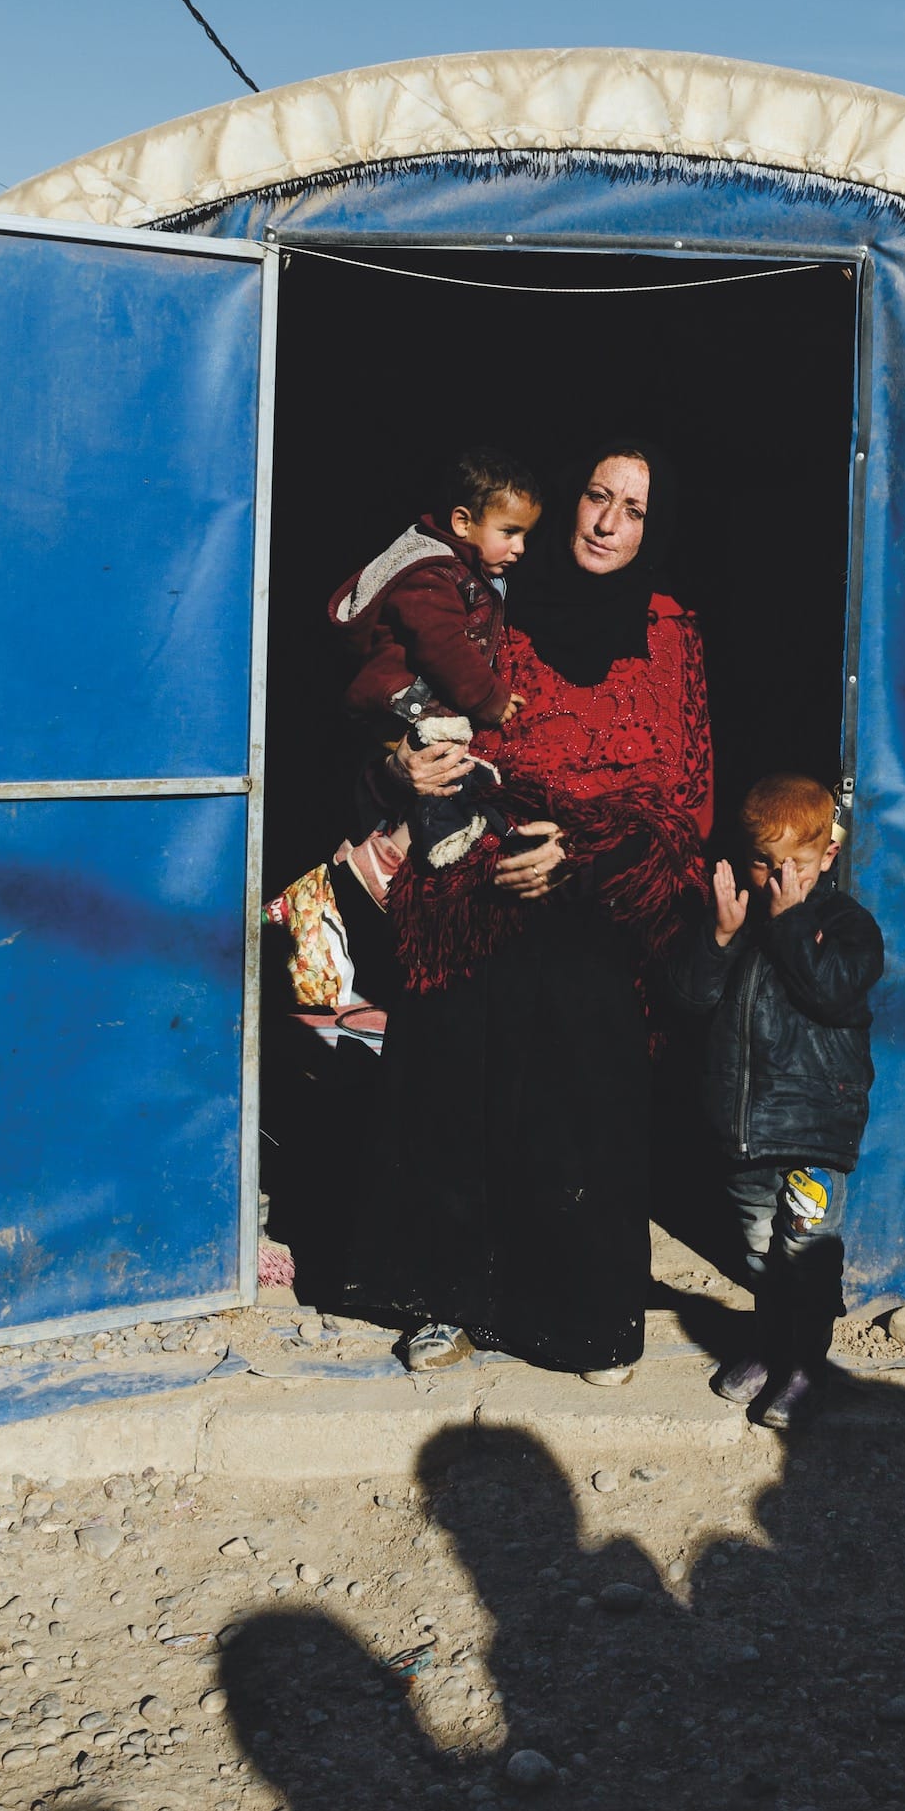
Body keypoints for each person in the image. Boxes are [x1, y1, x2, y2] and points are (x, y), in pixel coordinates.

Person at [345, 440, 712, 1378]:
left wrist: (577, 857)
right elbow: (402, 714)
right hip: (476, 864)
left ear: (654, 525)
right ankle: (448, 1298)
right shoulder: (483, 604)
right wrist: (402, 767)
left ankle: (581, 1319)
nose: (605, 522)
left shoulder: (669, 629)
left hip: (596, 891)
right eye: (597, 496)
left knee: (583, 1028)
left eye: (632, 509)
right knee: (451, 1032)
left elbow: (682, 794)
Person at [667, 773, 883, 1429]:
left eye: (796, 863)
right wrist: (722, 937)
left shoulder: (848, 926)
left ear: (828, 857)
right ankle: (767, 1347)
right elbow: (690, 1001)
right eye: (764, 862)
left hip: (811, 1133)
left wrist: (790, 925)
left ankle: (804, 1367)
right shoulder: (743, 921)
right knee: (761, 1254)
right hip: (745, 1132)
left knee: (805, 1256)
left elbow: (831, 992)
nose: (777, 878)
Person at [329, 441, 543, 866]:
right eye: (509, 532)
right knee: (445, 778)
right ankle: (359, 866)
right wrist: (489, 698)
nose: (520, 548)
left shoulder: (465, 572)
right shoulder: (431, 574)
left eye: (525, 536)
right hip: (400, 707)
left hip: (413, 711)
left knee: (428, 786)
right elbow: (444, 648)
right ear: (463, 522)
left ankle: (359, 860)